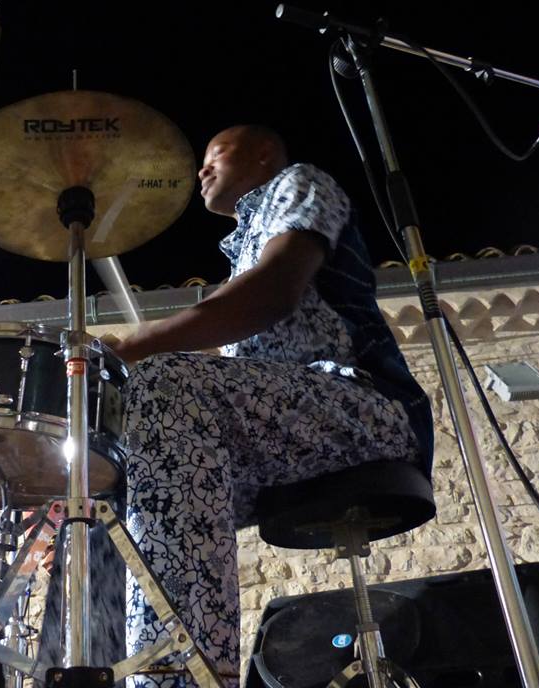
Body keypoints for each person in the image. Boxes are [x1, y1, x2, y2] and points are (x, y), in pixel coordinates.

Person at [102, 124, 434, 688]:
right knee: (105, 489)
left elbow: (273, 292)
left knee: (165, 385)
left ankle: (185, 678)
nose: (202, 169)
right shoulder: (243, 252)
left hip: (365, 409)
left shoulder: (299, 183)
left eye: (217, 153)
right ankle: (108, 670)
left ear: (263, 154)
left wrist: (135, 346)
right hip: (279, 437)